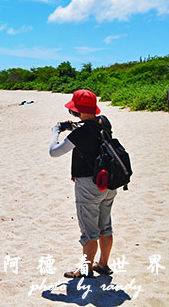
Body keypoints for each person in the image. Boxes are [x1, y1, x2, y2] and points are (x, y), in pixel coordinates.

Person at [49, 89, 117, 278]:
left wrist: (55, 132)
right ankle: (103, 264)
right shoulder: (103, 122)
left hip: (89, 185)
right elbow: (92, 132)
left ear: (76, 110)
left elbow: (54, 152)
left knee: (89, 231)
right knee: (105, 227)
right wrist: (74, 128)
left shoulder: (80, 134)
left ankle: (85, 269)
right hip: (109, 182)